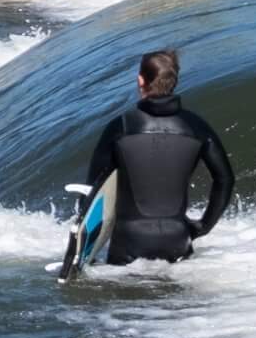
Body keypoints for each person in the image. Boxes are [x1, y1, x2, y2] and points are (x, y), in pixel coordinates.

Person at [62, 48, 234, 275]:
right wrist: (204, 226)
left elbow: (96, 187)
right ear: (174, 81)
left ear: (141, 80)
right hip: (177, 240)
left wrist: (82, 237)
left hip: (128, 244)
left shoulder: (120, 126)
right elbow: (225, 179)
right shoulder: (197, 127)